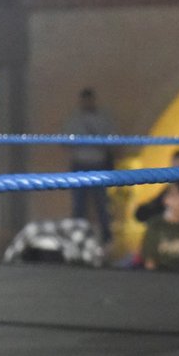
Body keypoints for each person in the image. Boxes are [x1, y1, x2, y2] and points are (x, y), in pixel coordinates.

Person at [62, 88, 117, 243]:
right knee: (79, 203)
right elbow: (64, 140)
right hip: (79, 163)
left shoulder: (103, 117)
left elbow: (113, 138)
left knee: (102, 202)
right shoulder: (74, 119)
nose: (87, 103)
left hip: (98, 163)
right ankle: (77, 236)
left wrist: (100, 142)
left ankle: (107, 236)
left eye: (89, 100)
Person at [140, 182, 179, 272]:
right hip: (161, 277)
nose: (178, 202)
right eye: (174, 196)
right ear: (166, 199)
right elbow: (150, 261)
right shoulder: (156, 225)